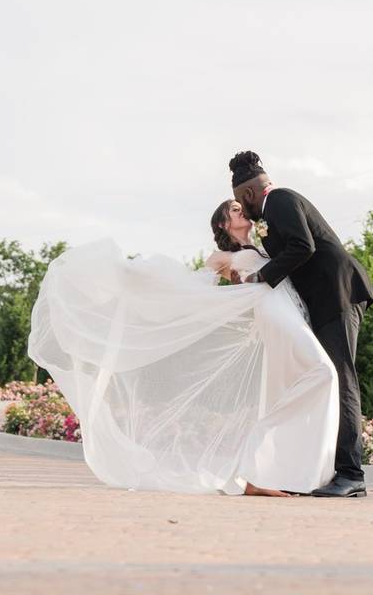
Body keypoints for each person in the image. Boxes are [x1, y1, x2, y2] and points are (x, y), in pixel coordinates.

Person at [27, 199, 340, 497]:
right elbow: (196, 285)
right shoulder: (220, 256)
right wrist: (136, 277)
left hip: (288, 312)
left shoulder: (262, 248)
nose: (242, 211)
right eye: (234, 209)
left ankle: (269, 473)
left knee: (284, 391)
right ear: (223, 222)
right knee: (322, 373)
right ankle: (259, 462)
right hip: (272, 314)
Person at [229, 150, 373, 498]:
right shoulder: (271, 209)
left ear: (248, 194)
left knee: (341, 380)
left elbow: (302, 246)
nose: (240, 207)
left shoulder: (280, 199)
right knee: (329, 378)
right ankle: (326, 470)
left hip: (338, 295)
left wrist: (261, 278)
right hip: (324, 302)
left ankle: (352, 474)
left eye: (239, 200)